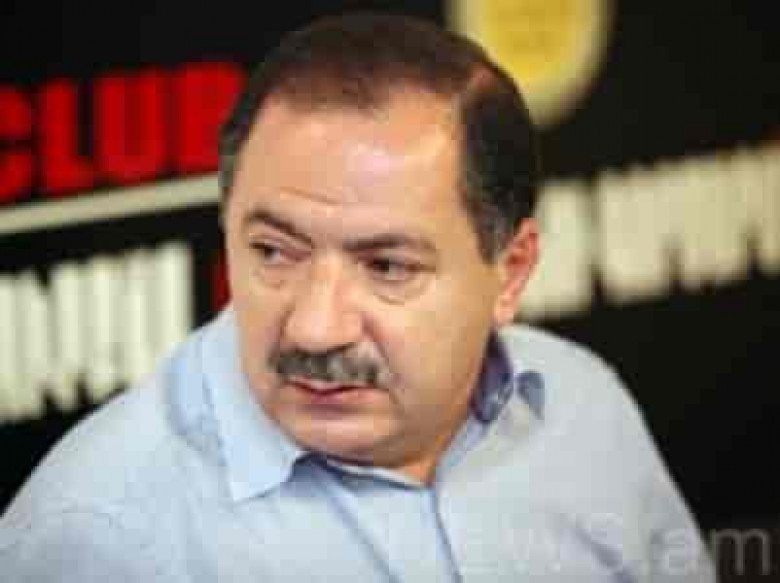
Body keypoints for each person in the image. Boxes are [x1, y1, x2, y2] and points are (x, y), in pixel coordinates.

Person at [0, 12, 714, 582]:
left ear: (511, 271)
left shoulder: (582, 406)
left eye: (387, 266)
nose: (314, 329)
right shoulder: (103, 538)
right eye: (273, 252)